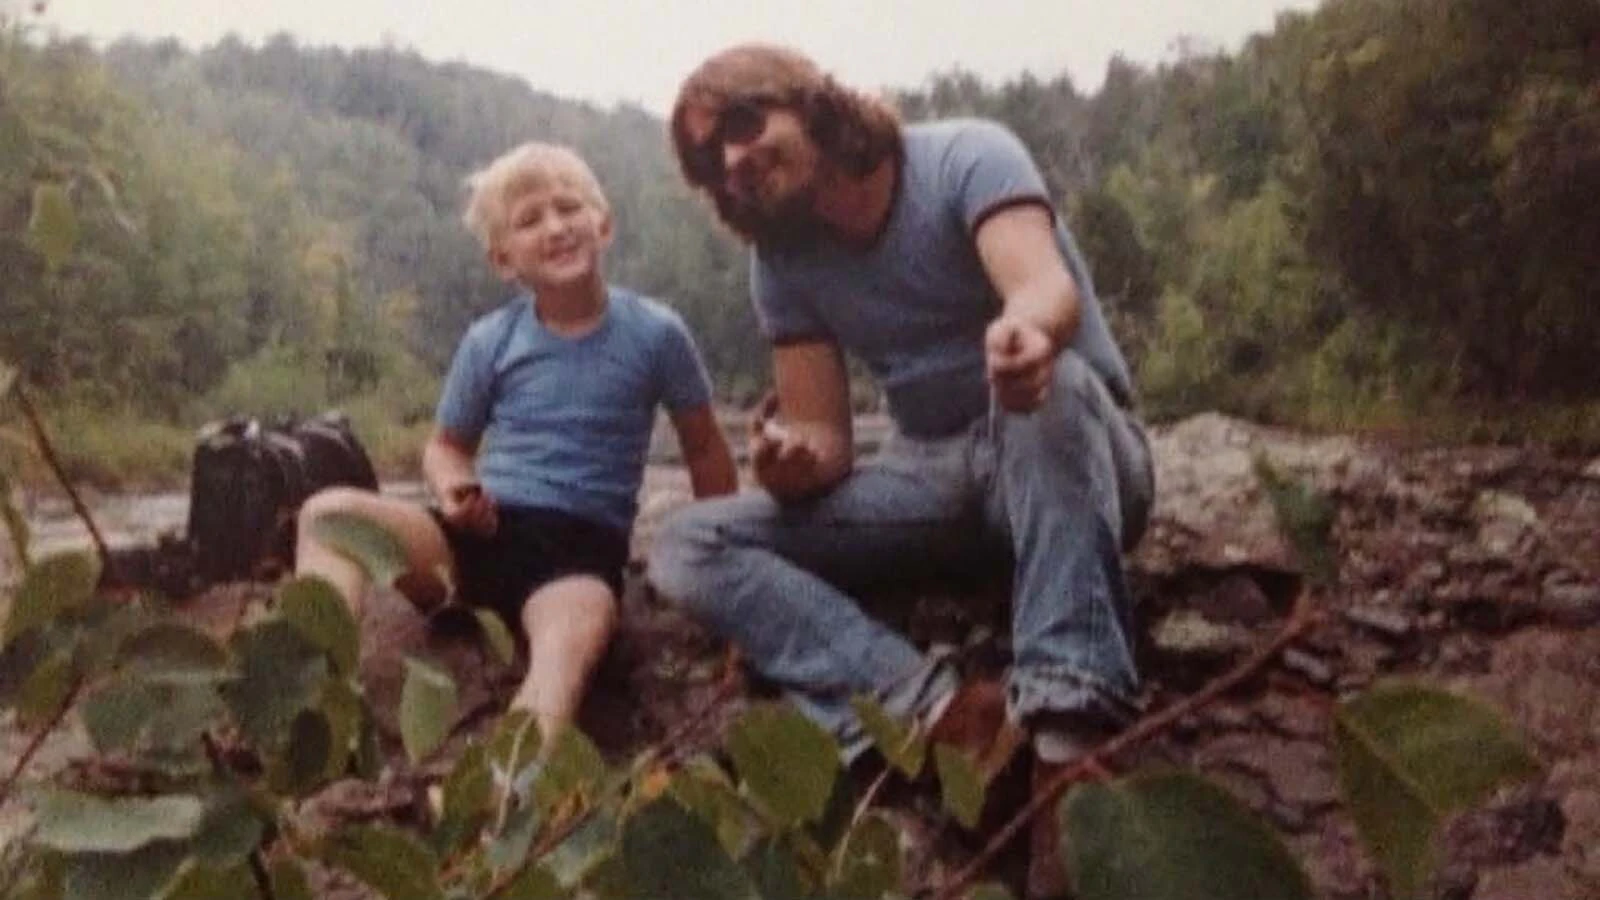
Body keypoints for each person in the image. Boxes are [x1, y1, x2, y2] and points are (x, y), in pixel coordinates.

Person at [647, 44, 1153, 897]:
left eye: (743, 123)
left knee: (1053, 389)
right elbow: (825, 440)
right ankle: (941, 715)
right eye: (710, 161)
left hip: (1070, 450)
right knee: (688, 544)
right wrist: (786, 465)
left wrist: (1023, 336)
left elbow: (1043, 290)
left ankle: (1068, 749)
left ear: (808, 102)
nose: (732, 160)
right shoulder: (781, 263)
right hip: (935, 479)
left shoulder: (964, 156)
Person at [295, 141, 738, 747]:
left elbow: (706, 451)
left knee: (563, 655)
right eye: (530, 220)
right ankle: (318, 707)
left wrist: (725, 559)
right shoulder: (491, 340)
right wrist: (454, 492)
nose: (555, 227)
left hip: (577, 558)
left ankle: (503, 798)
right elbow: (446, 447)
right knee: (327, 514)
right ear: (504, 260)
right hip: (479, 536)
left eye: (568, 208)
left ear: (602, 224)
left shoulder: (657, 334)